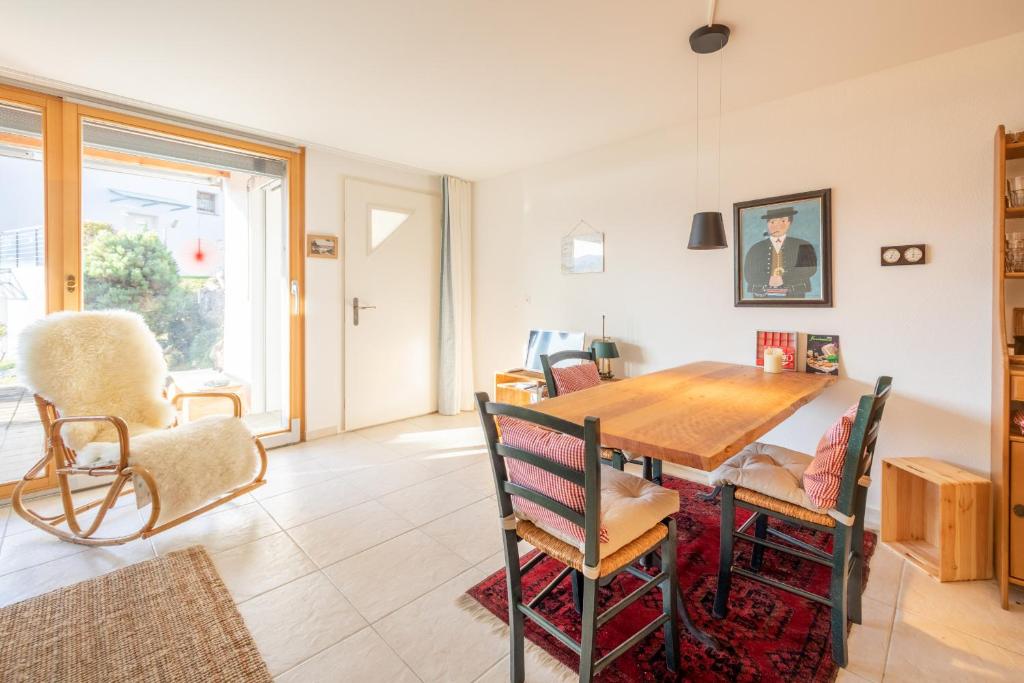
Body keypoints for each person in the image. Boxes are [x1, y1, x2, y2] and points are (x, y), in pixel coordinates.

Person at [743, 206, 817, 298]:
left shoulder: (803, 245)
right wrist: (768, 280)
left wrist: (784, 279)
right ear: (767, 224)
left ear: (789, 223)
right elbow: (748, 274)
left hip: (795, 292)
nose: (777, 226)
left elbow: (809, 269)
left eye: (782, 221)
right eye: (772, 222)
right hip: (762, 295)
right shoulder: (756, 248)